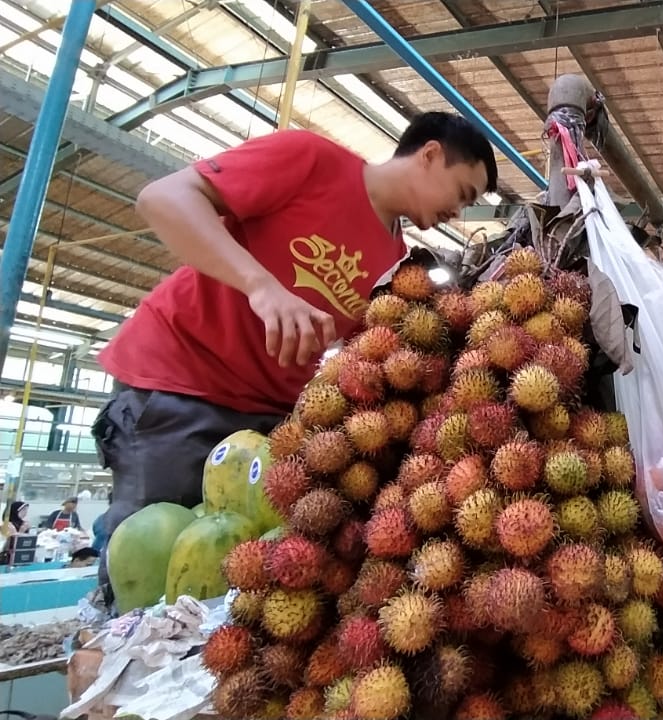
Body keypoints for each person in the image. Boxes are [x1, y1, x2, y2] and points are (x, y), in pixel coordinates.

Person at [88, 112, 499, 606]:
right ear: (430, 155)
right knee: (148, 580)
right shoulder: (312, 160)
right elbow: (162, 199)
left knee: (237, 595)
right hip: (179, 384)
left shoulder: (396, 261)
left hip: (270, 426)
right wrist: (261, 286)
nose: (460, 211)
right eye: (463, 193)